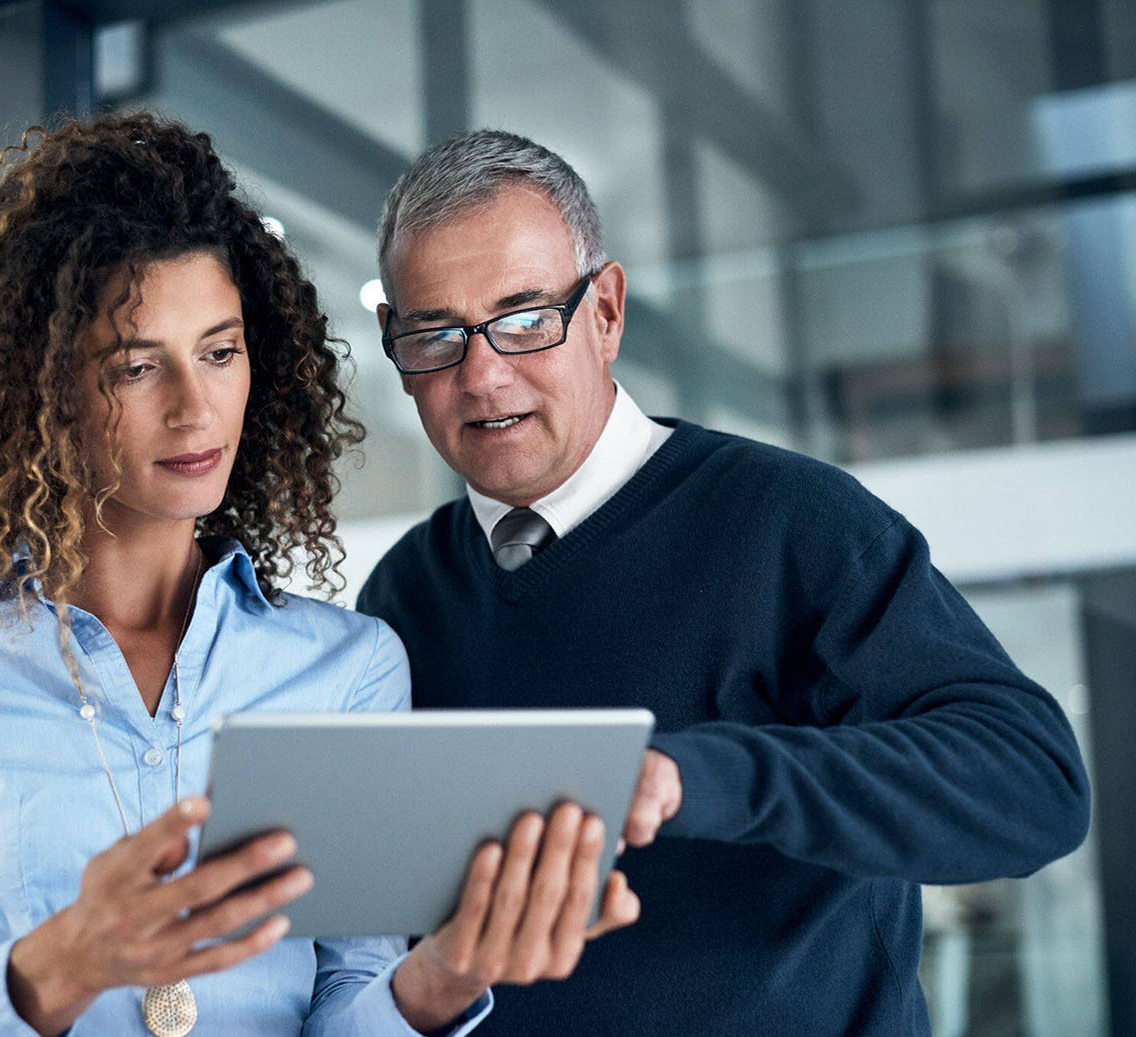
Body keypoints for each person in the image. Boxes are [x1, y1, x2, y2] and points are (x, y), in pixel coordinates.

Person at [0, 113, 638, 1037]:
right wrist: (62, 963)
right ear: (39, 390)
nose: (195, 408)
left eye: (219, 351)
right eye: (134, 366)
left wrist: (441, 975)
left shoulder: (349, 666)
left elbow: (344, 1005)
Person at [356, 129, 1093, 1035]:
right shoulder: (405, 593)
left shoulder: (794, 523)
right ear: (394, 342)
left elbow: (1034, 783)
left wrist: (689, 775)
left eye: (523, 319)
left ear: (608, 312)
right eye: (437, 333)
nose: (482, 373)